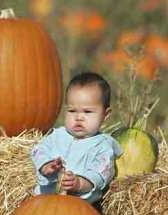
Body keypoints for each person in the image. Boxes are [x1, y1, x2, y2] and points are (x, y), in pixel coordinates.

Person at [30, 71, 123, 207]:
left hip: (77, 209)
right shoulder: (57, 135)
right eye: (72, 111)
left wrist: (79, 183)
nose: (79, 117)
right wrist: (46, 166)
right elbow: (38, 151)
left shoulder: (103, 146)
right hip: (43, 201)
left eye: (87, 112)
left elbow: (99, 175)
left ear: (105, 115)